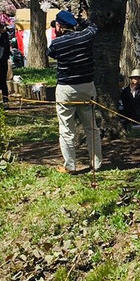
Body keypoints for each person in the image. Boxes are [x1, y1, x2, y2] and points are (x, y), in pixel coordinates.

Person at [47, 10, 102, 174]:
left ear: (58, 26)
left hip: (66, 89)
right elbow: (93, 27)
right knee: (91, 127)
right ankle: (96, 163)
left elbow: (51, 54)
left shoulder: (57, 43)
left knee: (66, 128)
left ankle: (70, 165)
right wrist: (81, 21)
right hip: (87, 86)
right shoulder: (85, 36)